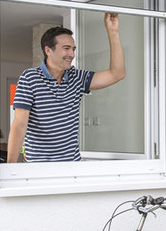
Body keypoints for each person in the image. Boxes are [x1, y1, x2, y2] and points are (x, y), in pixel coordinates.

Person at [7, 13, 125, 163]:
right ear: (48, 50)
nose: (72, 54)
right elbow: (19, 125)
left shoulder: (77, 77)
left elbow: (117, 74)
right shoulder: (30, 78)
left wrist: (113, 33)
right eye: (66, 48)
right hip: (38, 167)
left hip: (72, 167)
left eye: (73, 49)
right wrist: (10, 167)